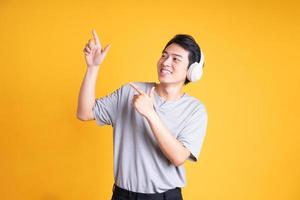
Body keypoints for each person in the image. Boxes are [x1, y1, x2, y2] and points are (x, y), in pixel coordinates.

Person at [77, 29, 208, 200]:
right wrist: (93, 68)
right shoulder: (129, 92)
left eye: (176, 59)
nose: (166, 62)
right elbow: (84, 112)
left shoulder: (194, 110)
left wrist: (150, 113)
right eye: (164, 55)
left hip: (165, 197)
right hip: (123, 195)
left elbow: (178, 157)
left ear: (191, 71)